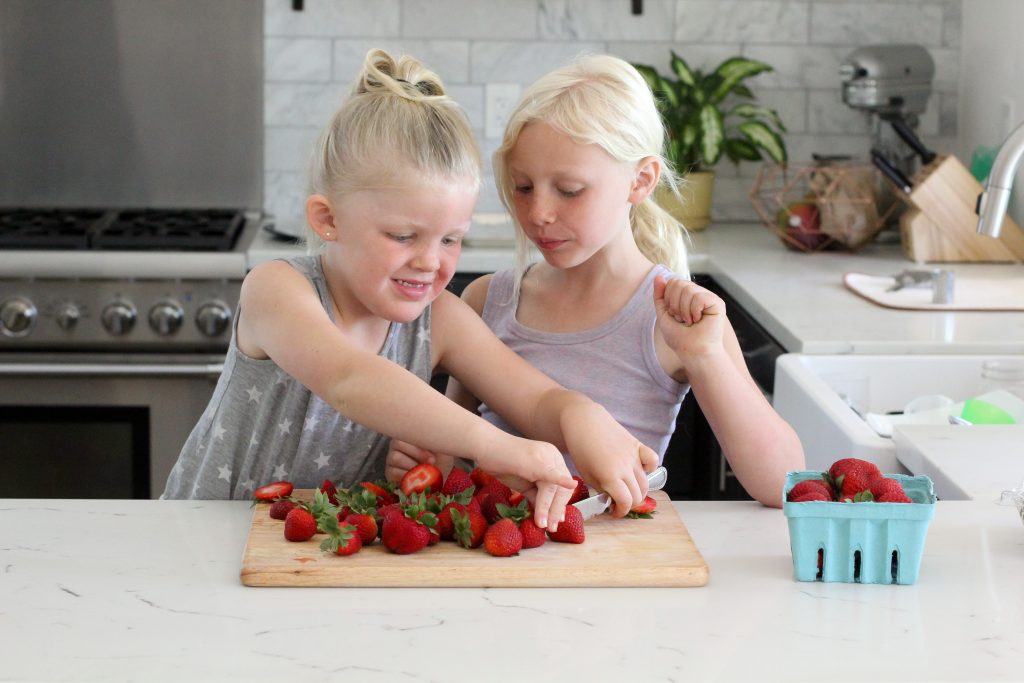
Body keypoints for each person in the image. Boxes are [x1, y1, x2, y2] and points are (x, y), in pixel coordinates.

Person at [161, 49, 659, 530]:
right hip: (197, 547)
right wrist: (493, 445)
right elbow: (350, 379)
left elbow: (537, 400)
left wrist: (583, 418)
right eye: (403, 237)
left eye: (451, 239)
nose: (429, 261)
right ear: (328, 219)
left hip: (317, 569)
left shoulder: (441, 319)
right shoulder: (278, 289)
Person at [386, 54, 804, 509]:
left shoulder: (678, 321)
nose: (539, 212)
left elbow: (782, 484)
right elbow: (454, 443)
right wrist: (428, 455)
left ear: (640, 181)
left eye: (569, 190)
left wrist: (706, 357)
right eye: (523, 187)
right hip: (493, 558)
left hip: (607, 564)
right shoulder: (488, 300)